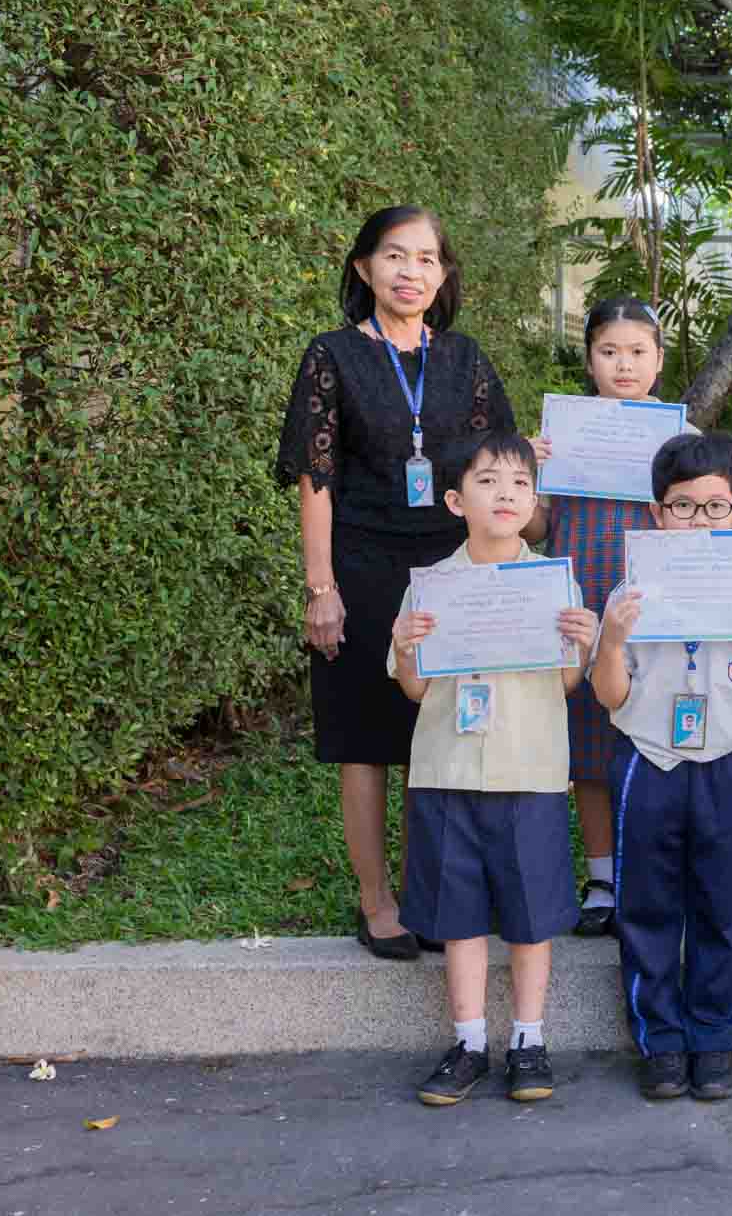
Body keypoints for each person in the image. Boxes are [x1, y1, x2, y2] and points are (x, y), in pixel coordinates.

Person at [275, 206, 517, 961]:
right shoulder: (333, 355)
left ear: (444, 275)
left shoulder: (466, 360)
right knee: (365, 740)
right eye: (395, 256)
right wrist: (321, 587)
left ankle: (427, 892)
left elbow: (501, 464)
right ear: (364, 267)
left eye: (427, 259)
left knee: (436, 732)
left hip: (449, 569)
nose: (411, 272)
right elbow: (315, 477)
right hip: (362, 566)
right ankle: (376, 899)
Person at [591, 432, 732, 1102]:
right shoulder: (630, 593)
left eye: (716, 506)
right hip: (649, 761)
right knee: (647, 906)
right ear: (656, 514)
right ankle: (660, 1042)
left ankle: (715, 1039)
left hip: (729, 759)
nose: (699, 520)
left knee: (724, 907)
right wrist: (612, 640)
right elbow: (611, 695)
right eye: (683, 506)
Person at [386, 433, 600, 1105]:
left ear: (534, 501)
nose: (505, 494)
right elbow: (415, 690)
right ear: (456, 500)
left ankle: (528, 1041)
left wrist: (582, 644)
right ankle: (470, 1042)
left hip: (529, 770)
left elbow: (567, 681)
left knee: (531, 915)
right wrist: (405, 647)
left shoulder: (555, 583)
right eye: (487, 481)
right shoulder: (430, 587)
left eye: (519, 483)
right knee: (459, 915)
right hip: (448, 770)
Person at [524, 297, 671, 938]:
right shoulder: (564, 436)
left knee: (647, 736)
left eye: (637, 352)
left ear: (658, 361)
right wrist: (527, 476)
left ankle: (646, 873)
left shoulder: (678, 439)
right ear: (589, 361)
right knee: (587, 746)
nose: (624, 365)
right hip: (579, 607)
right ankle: (602, 877)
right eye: (609, 352)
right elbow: (536, 527)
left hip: (652, 612)